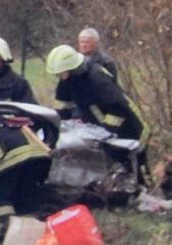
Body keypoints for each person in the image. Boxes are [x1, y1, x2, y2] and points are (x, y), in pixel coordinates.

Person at [46, 44, 151, 181]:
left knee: (137, 168)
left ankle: (149, 191)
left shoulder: (96, 78)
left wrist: (106, 131)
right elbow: (62, 105)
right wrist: (62, 126)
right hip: (106, 131)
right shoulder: (68, 80)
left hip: (131, 128)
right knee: (116, 168)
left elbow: (119, 106)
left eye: (60, 73)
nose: (59, 77)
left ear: (72, 68)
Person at [0, 116, 52, 237]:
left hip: (12, 161)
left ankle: (8, 230)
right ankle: (33, 233)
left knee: (0, 197)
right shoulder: (15, 122)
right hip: (39, 158)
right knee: (27, 193)